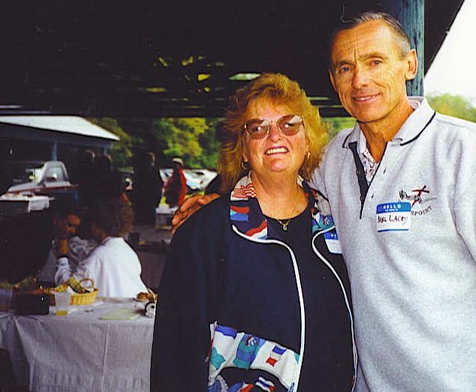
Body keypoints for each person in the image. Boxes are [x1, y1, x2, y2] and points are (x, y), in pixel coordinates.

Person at [172, 12, 476, 391]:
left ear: (409, 65)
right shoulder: (334, 161)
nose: (360, 80)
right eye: (345, 68)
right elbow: (279, 179)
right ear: (334, 80)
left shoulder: (467, 152)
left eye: (375, 61)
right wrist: (222, 202)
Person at [151, 73, 356, 391]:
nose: (275, 136)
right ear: (243, 150)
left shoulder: (336, 220)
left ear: (307, 141)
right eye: (258, 128)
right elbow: (174, 357)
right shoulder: (204, 233)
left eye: (289, 124)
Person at [55, 197, 147, 298]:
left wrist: (62, 257)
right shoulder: (129, 252)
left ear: (95, 225)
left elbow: (67, 291)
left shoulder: (98, 256)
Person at [132, 151, 163, 226]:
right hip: (149, 196)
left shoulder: (139, 170)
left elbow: (135, 183)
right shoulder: (154, 171)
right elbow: (159, 184)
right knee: (149, 215)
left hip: (142, 196)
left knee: (142, 215)